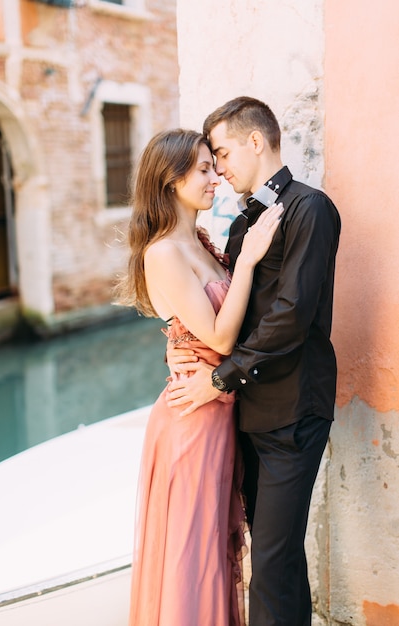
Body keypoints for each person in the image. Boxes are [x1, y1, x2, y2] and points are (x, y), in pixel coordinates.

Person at [165, 97, 341, 626]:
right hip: (250, 412)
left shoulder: (311, 209)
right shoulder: (246, 223)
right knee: (277, 559)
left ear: (256, 141)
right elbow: (230, 310)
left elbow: (290, 315)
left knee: (267, 563)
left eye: (221, 153)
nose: (218, 168)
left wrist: (219, 379)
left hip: (293, 411)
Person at [117, 128, 283, 626]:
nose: (216, 178)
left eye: (215, 166)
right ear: (170, 181)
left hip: (218, 414)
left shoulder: (202, 242)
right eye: (204, 169)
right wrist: (250, 260)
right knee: (191, 558)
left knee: (212, 552)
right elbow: (218, 339)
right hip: (191, 422)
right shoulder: (163, 252)